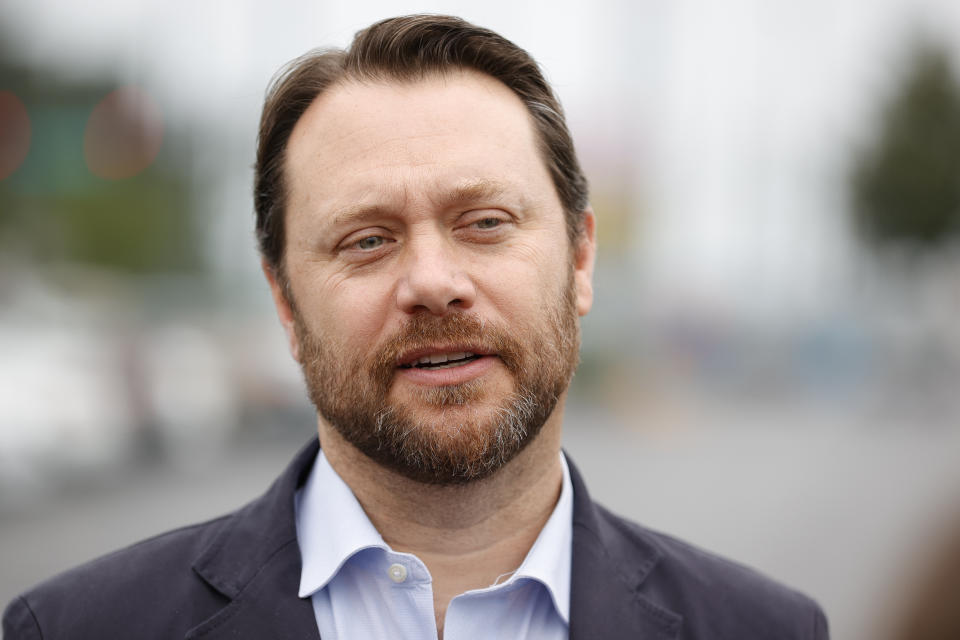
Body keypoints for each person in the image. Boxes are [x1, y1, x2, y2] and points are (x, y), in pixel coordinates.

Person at [2, 14, 828, 640]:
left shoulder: (765, 629)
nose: (433, 282)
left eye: (486, 222)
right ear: (285, 302)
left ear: (580, 260)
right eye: (367, 240)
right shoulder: (73, 628)